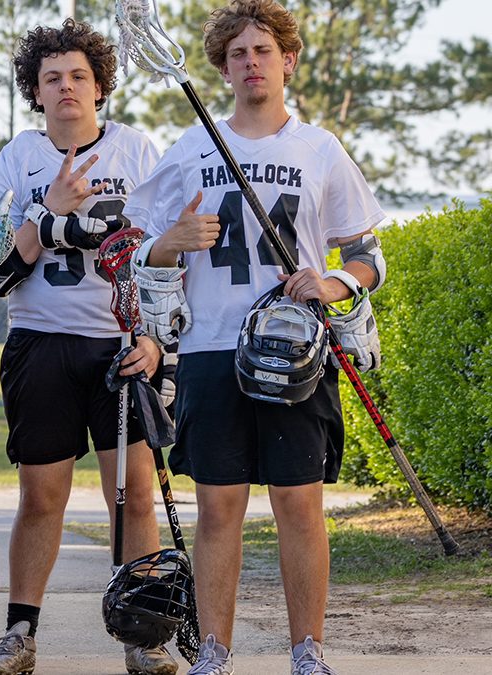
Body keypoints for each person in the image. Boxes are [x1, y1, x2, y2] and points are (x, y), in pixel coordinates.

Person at [123, 2, 386, 674]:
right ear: (223, 67)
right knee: (219, 509)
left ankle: (307, 648)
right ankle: (214, 649)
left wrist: (334, 283)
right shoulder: (191, 146)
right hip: (211, 346)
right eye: (237, 53)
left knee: (300, 504)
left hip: (293, 345)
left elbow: (367, 256)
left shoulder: (319, 147)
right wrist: (168, 243)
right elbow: (131, 247)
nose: (251, 62)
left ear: (289, 60)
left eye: (263, 50)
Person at [0, 20, 176, 675]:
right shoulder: (17, 159)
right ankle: (21, 633)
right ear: (34, 88)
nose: (66, 87)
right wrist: (44, 214)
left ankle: (143, 636)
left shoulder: (138, 151)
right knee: (41, 497)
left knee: (134, 496)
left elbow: (168, 260)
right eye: (52, 77)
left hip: (119, 344)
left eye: (78, 76)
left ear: (99, 85)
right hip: (42, 342)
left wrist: (155, 339)